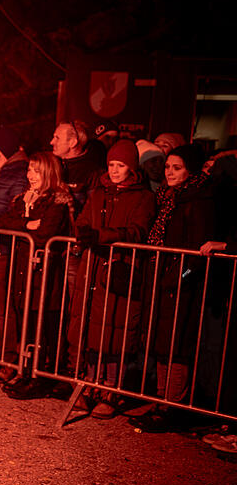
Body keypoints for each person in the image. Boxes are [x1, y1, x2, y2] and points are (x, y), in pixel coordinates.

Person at [67, 139, 156, 419]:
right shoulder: (98, 193)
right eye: (111, 165)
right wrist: (83, 231)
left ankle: (111, 389)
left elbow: (138, 231)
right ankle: (90, 384)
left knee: (116, 329)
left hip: (121, 269)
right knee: (92, 329)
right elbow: (83, 220)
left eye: (120, 166)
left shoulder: (144, 197)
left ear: (132, 167)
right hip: (93, 267)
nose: (115, 170)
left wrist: (103, 236)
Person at [129, 145, 215, 432]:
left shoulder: (199, 199)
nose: (169, 172)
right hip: (161, 273)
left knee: (176, 344)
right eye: (168, 167)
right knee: (162, 342)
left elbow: (199, 250)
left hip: (181, 280)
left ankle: (174, 403)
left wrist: (183, 278)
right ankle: (162, 400)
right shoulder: (166, 197)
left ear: (190, 169)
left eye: (176, 168)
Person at [0, 152, 74, 399]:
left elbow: (46, 233)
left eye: (36, 171)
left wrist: (26, 223)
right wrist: (28, 222)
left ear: (49, 173)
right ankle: (26, 372)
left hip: (46, 272)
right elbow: (5, 222)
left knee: (45, 324)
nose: (30, 176)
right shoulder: (23, 198)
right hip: (22, 269)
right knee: (25, 320)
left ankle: (44, 375)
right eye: (29, 170)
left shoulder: (58, 201)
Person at [49, 121, 106, 215]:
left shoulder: (92, 173)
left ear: (72, 142)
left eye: (57, 138)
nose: (51, 142)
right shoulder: (51, 164)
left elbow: (93, 211)